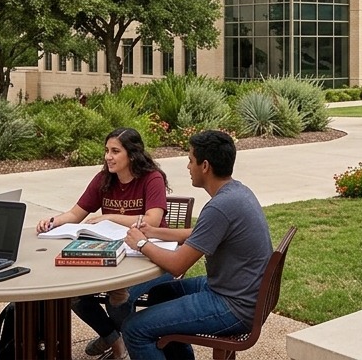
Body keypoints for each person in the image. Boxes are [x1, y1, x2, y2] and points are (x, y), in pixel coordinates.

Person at [121, 130, 272, 360]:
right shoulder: (237, 192)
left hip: (233, 306)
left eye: (190, 160)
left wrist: (141, 243)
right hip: (242, 293)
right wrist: (153, 232)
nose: (188, 166)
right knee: (160, 293)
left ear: (205, 166)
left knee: (134, 329)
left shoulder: (220, 207)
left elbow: (177, 266)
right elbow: (200, 233)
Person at [36, 128, 172, 360]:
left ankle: (131, 341)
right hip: (111, 255)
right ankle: (115, 340)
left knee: (119, 299)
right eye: (107, 150)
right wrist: (52, 222)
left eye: (115, 151)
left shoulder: (152, 178)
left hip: (152, 257)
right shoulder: (103, 179)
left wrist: (109, 217)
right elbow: (75, 214)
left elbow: (153, 220)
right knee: (73, 294)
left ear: (132, 154)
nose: (108, 156)